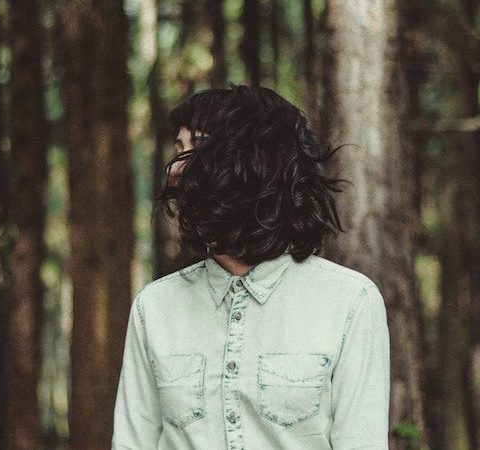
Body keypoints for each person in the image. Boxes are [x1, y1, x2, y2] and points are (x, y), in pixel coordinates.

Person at [111, 84, 390, 450]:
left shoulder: (350, 302)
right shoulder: (155, 307)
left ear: (257, 161)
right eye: (178, 150)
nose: (177, 170)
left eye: (198, 147)